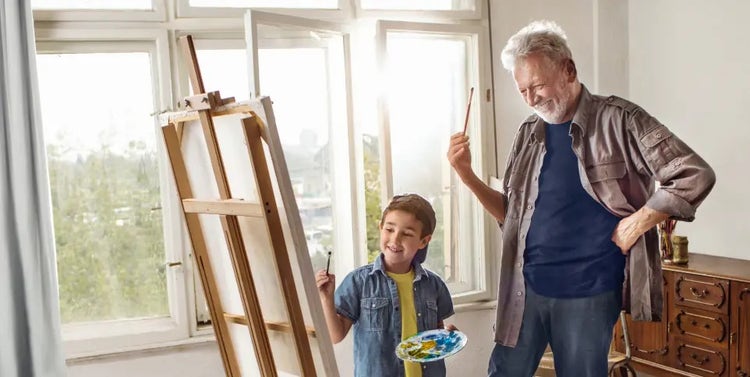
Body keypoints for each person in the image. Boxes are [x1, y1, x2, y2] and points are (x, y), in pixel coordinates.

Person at [447, 20, 715, 376]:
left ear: (568, 70)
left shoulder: (621, 120)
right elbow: (511, 216)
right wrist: (466, 175)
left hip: (588, 292)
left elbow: (694, 174)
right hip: (523, 289)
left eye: (537, 85)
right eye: (522, 89)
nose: (531, 99)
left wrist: (637, 222)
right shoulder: (528, 133)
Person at [316, 194, 456, 377]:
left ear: (424, 241)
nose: (395, 240)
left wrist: (449, 337)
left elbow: (436, 336)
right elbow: (335, 336)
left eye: (407, 234)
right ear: (381, 228)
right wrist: (326, 298)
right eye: (389, 229)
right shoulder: (359, 281)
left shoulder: (434, 285)